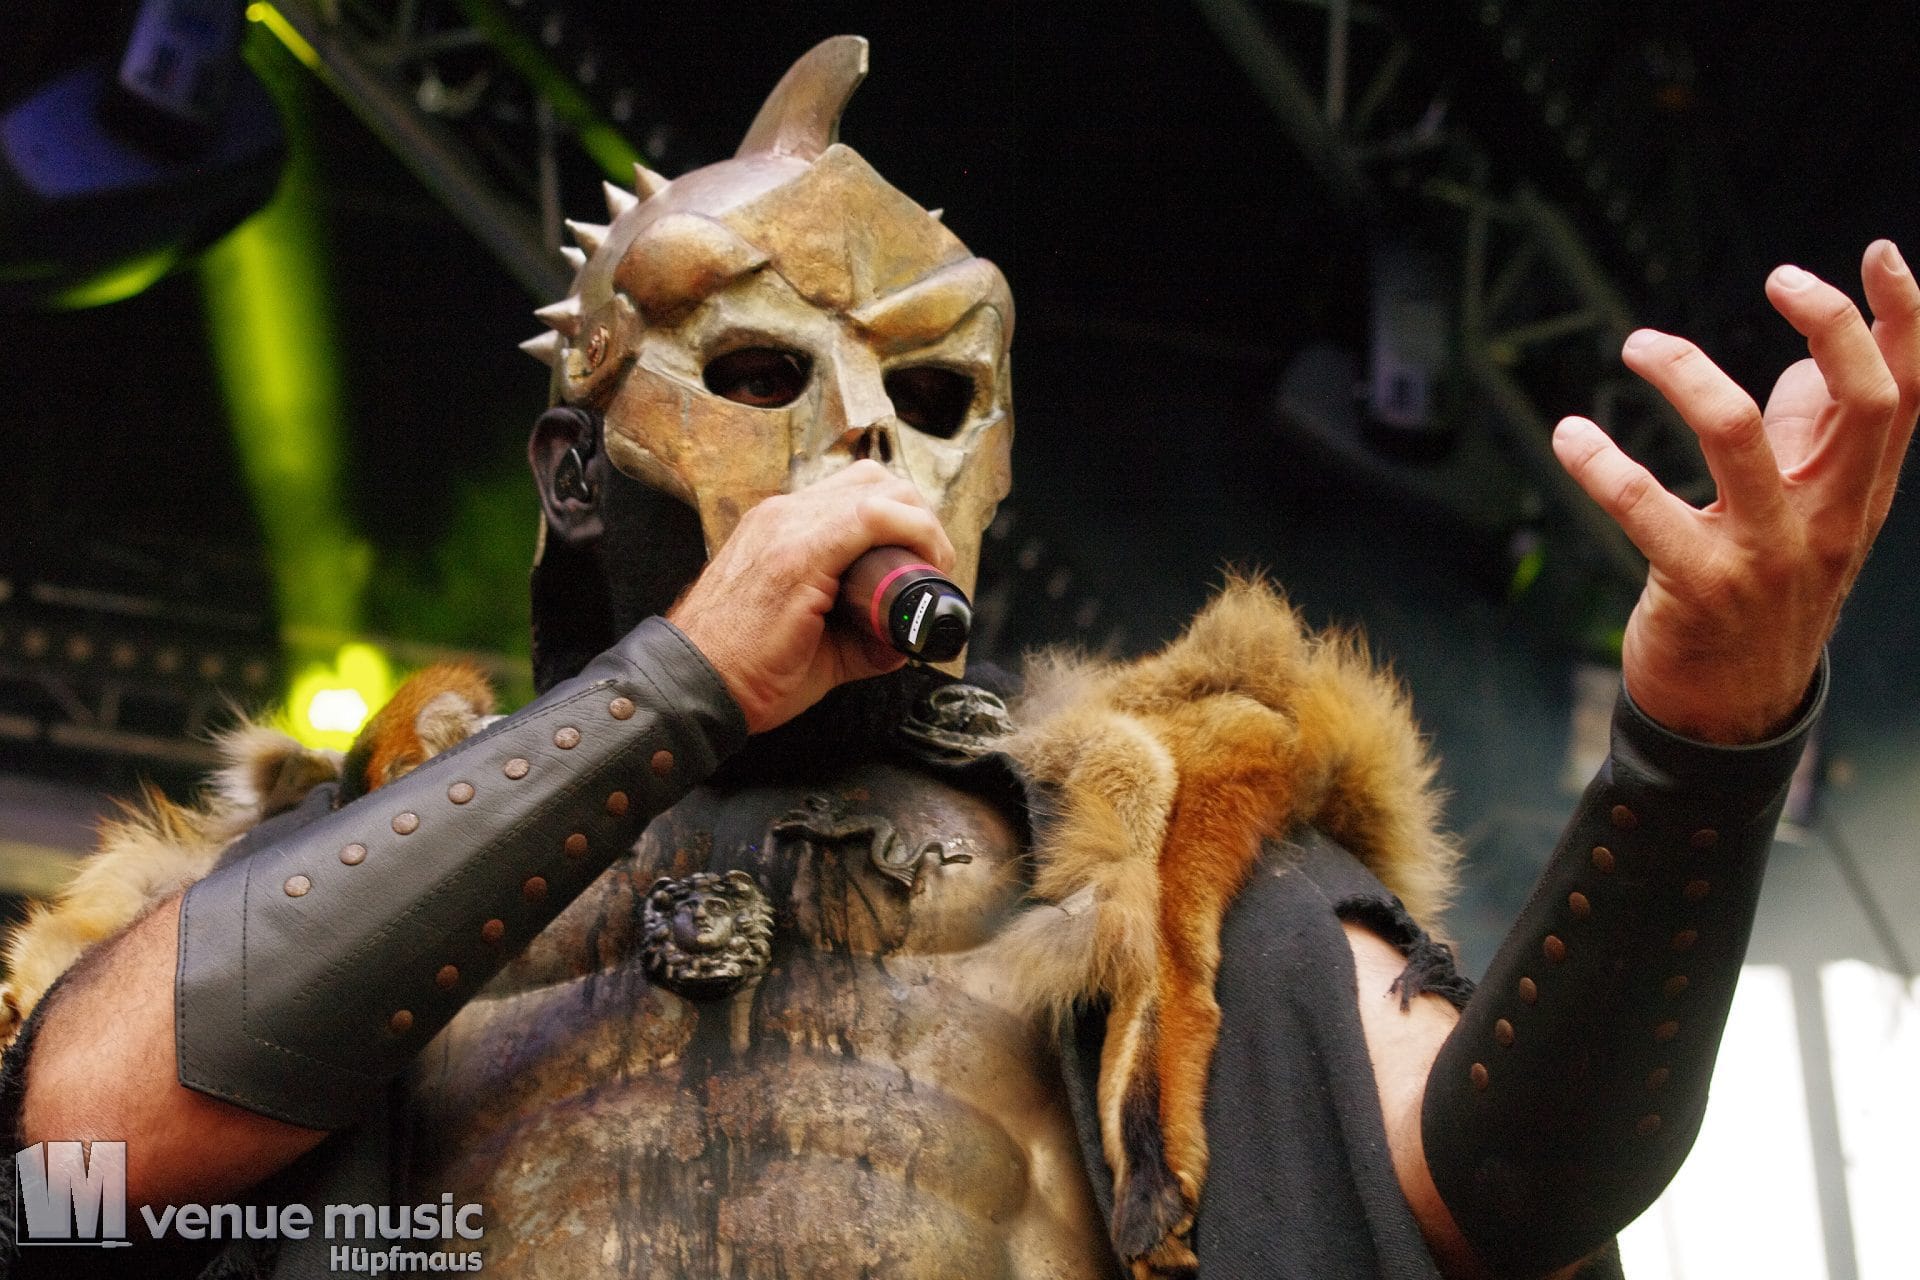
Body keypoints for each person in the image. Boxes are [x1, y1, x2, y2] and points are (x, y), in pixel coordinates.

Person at [4, 35, 1915, 1280]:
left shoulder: (1156, 865)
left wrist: (1705, 741)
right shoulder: (363, 888)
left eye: (929, 396)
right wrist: (684, 685)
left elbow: (1509, 1188)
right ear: (575, 474)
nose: (862, 439)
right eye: (761, 372)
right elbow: (71, 1157)